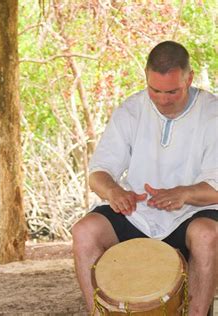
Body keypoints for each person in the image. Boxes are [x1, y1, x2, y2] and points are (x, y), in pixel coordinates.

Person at [72, 41, 217, 315]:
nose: (163, 99)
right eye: (155, 90)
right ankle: (98, 313)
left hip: (194, 214)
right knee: (84, 230)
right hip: (138, 212)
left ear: (190, 78)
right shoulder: (131, 109)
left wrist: (184, 194)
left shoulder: (213, 114)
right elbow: (98, 173)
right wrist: (114, 191)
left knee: (207, 234)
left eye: (172, 91)